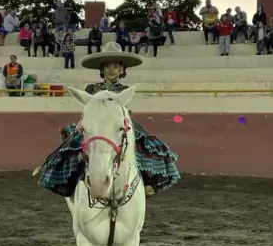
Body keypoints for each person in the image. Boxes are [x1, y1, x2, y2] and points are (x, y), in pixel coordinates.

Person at [35, 42, 180, 197]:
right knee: (74, 146)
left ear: (122, 70)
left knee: (141, 144)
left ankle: (147, 182)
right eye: (108, 66)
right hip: (95, 124)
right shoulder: (91, 89)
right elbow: (88, 110)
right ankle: (70, 183)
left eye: (116, 66)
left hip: (118, 123)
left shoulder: (124, 90)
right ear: (102, 69)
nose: (112, 70)